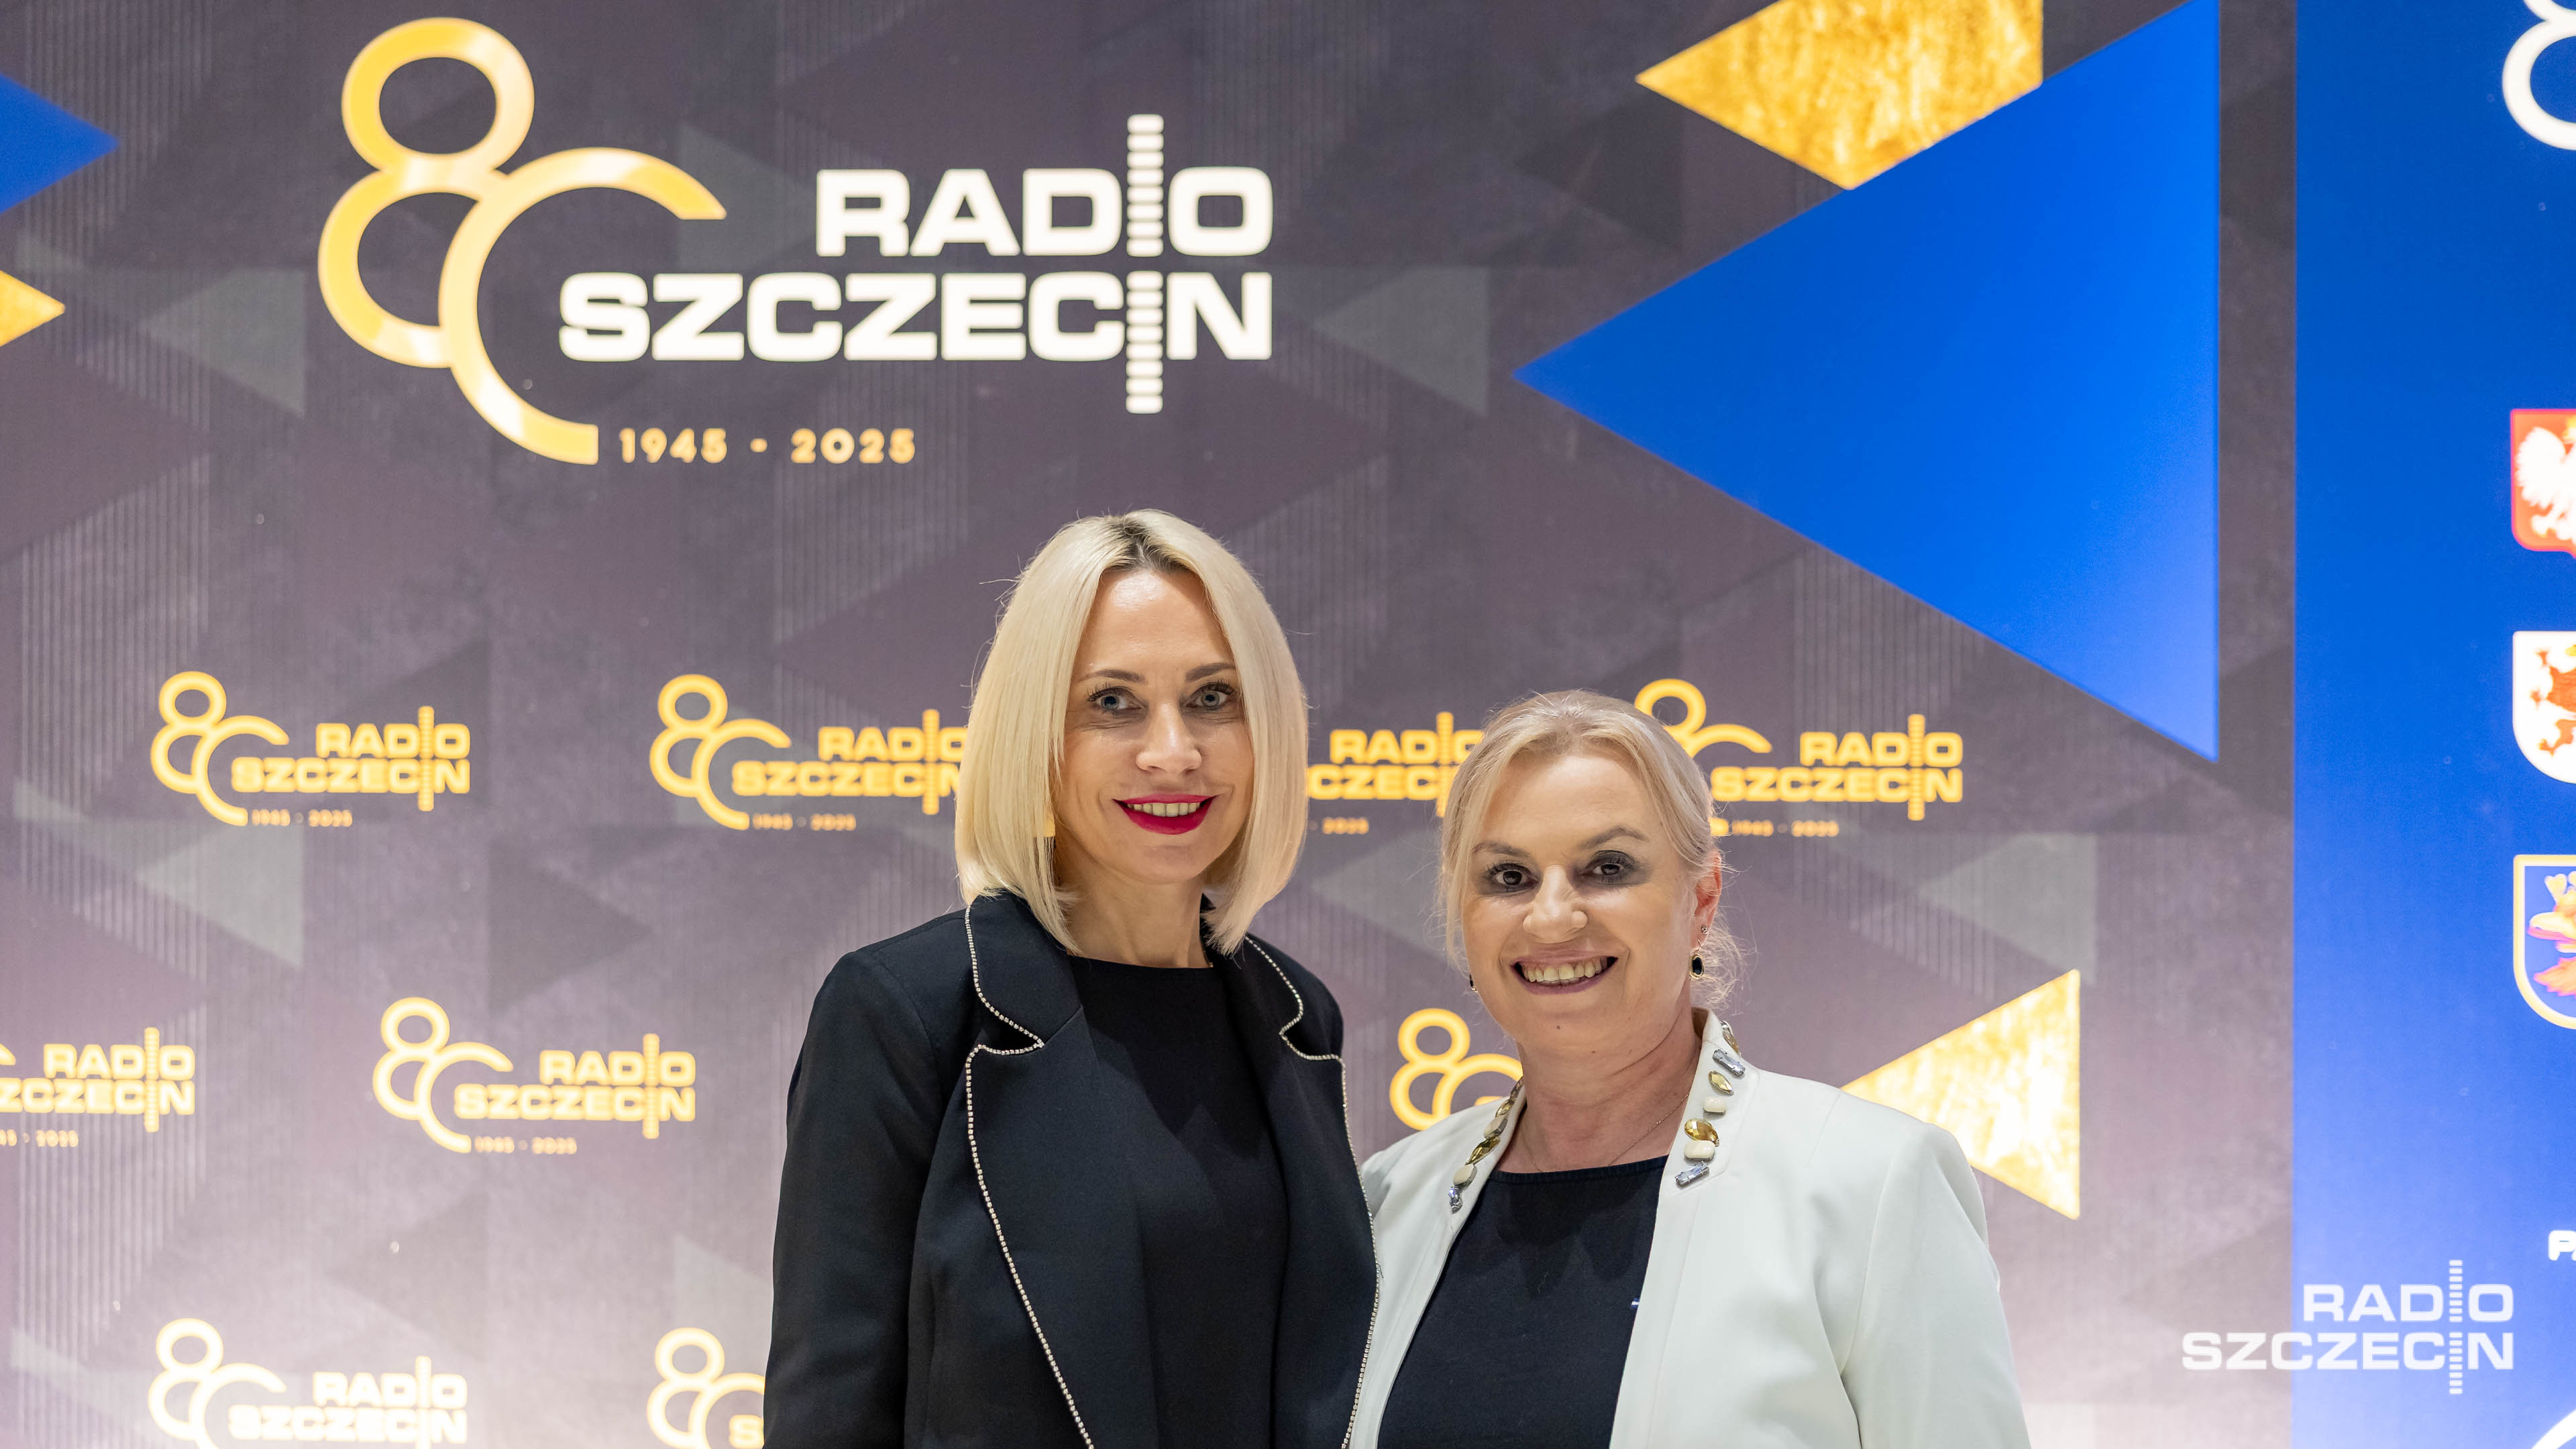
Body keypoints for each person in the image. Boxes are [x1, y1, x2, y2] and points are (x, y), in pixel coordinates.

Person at [764, 511, 1376, 1449]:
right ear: (1035, 737)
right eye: (1113, 703)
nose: (1173, 751)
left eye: (1213, 698)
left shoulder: (1298, 1015)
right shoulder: (904, 1012)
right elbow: (828, 1412)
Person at [1354, 690, 2030, 1449]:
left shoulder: (1870, 1184)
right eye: (1509, 877)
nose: (1552, 917)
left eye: (1607, 868)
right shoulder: (1390, 1196)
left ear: (1702, 900)